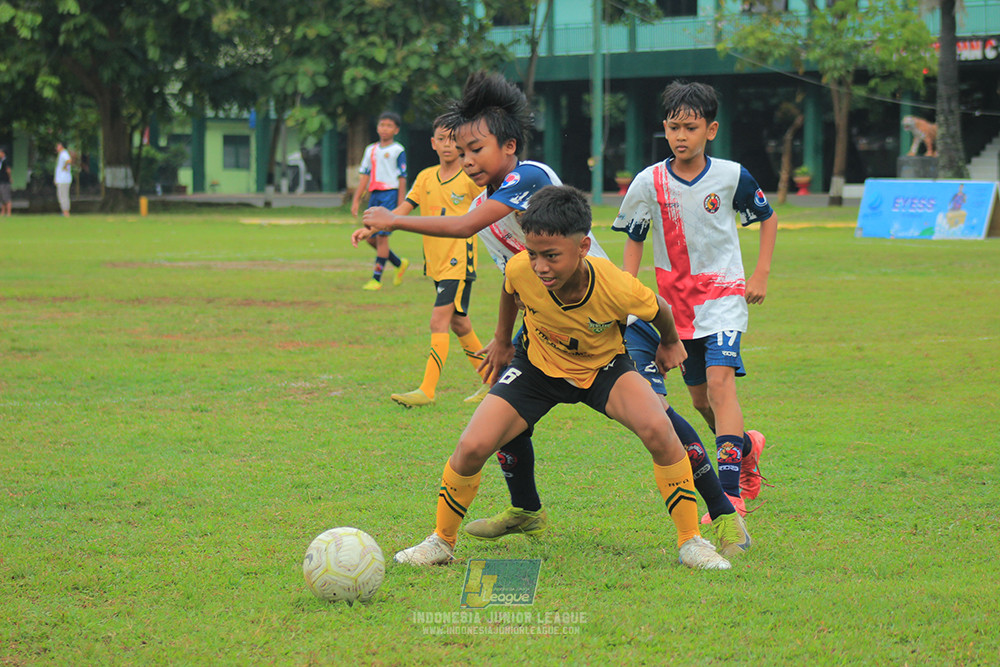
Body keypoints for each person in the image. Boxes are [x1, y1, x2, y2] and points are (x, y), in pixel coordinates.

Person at [356, 72, 749, 554]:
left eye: (476, 149)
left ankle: (724, 515)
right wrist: (504, 339)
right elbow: (514, 279)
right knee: (501, 412)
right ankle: (525, 510)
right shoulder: (487, 206)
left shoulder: (529, 178)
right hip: (544, 329)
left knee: (660, 421)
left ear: (509, 146)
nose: (467, 159)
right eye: (462, 151)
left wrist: (392, 219)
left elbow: (463, 226)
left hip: (604, 322)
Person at [392, 185, 732, 569]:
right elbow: (510, 288)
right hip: (537, 368)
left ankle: (691, 542)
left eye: (551, 256)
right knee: (471, 446)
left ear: (583, 247)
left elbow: (660, 309)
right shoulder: (521, 269)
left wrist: (670, 342)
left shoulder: (615, 284)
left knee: (659, 430)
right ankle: (441, 542)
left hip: (603, 368)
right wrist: (502, 339)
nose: (539, 266)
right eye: (533, 254)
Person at [613, 81, 776, 523]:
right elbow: (634, 236)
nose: (680, 136)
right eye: (673, 127)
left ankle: (730, 495)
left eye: (690, 127)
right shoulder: (648, 181)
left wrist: (760, 274)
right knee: (701, 401)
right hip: (675, 309)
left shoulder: (731, 176)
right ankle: (745, 448)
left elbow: (767, 218)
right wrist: (627, 291)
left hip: (723, 297)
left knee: (722, 386)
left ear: (711, 130)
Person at [386, 115, 491, 408]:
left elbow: (491, 206)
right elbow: (403, 209)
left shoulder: (470, 178)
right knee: (460, 323)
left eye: (453, 139)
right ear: (433, 143)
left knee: (439, 321)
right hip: (435, 261)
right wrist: (375, 225)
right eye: (441, 139)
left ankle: (427, 390)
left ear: (461, 144)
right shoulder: (425, 177)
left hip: (458, 261)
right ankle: (494, 381)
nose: (447, 145)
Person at [350, 111, 409, 291]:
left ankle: (376, 279)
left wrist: (401, 203)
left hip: (389, 194)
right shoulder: (371, 150)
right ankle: (399, 263)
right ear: (377, 127)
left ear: (396, 130)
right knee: (370, 237)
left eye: (389, 126)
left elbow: (402, 177)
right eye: (382, 125)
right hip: (374, 195)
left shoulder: (398, 150)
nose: (385, 129)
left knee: (382, 238)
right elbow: (364, 176)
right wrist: (356, 199)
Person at [54, 141, 72, 217]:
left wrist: (65, 167)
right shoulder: (61, 154)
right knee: (61, 195)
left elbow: (69, 160)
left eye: (58, 146)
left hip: (63, 179)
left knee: (63, 195)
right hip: (61, 179)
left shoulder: (64, 153)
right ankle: (64, 211)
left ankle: (66, 212)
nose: (57, 148)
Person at [0, 147, 11, 216]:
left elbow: (8, 170)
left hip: (5, 181)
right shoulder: (1, 161)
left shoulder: (6, 161)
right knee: (2, 197)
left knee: (6, 197)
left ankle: (9, 212)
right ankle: (3, 212)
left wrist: (10, 178)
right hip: (1, 181)